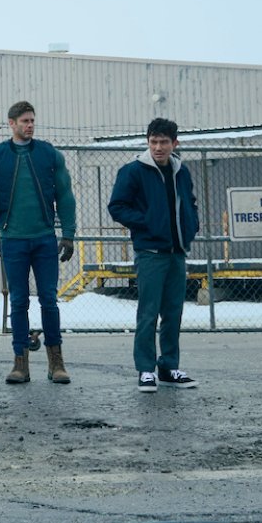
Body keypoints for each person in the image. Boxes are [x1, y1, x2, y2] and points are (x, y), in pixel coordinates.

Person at [0, 100, 78, 384]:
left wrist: (68, 234)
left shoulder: (49, 154)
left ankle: (56, 362)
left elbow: (66, 195)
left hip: (45, 238)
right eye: (24, 121)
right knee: (18, 301)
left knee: (49, 301)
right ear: (11, 124)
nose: (29, 125)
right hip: (12, 240)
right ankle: (20, 363)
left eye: (32, 120)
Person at [108, 117, 201, 393]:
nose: (158, 147)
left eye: (164, 142)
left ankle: (169, 366)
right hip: (150, 253)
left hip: (177, 252)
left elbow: (190, 203)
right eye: (153, 142)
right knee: (148, 314)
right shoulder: (133, 171)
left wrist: (190, 226)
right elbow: (117, 207)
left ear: (175, 143)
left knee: (173, 312)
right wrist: (148, 222)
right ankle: (146, 370)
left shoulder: (181, 171)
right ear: (147, 142)